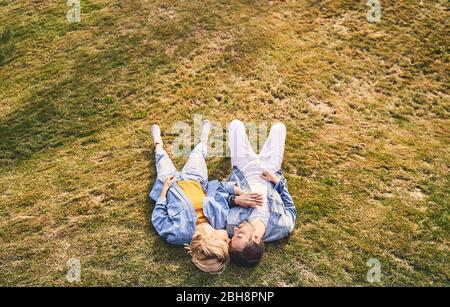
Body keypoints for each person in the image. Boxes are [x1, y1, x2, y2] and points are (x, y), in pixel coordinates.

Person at [148, 120, 231, 273]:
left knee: (161, 158)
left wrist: (164, 190)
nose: (230, 239)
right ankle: (203, 140)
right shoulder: (221, 220)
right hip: (196, 179)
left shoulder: (179, 234)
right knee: (197, 153)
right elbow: (218, 195)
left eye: (226, 241)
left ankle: (158, 143)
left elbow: (158, 218)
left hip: (170, 183)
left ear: (213, 239)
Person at [220, 119, 297, 267]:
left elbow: (217, 191)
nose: (235, 230)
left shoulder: (229, 224)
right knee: (278, 127)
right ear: (256, 238)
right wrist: (277, 180)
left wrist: (236, 200)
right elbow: (290, 208)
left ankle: (236, 151)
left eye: (234, 235)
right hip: (270, 169)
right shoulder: (282, 227)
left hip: (243, 168)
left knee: (236, 124)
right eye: (239, 235)